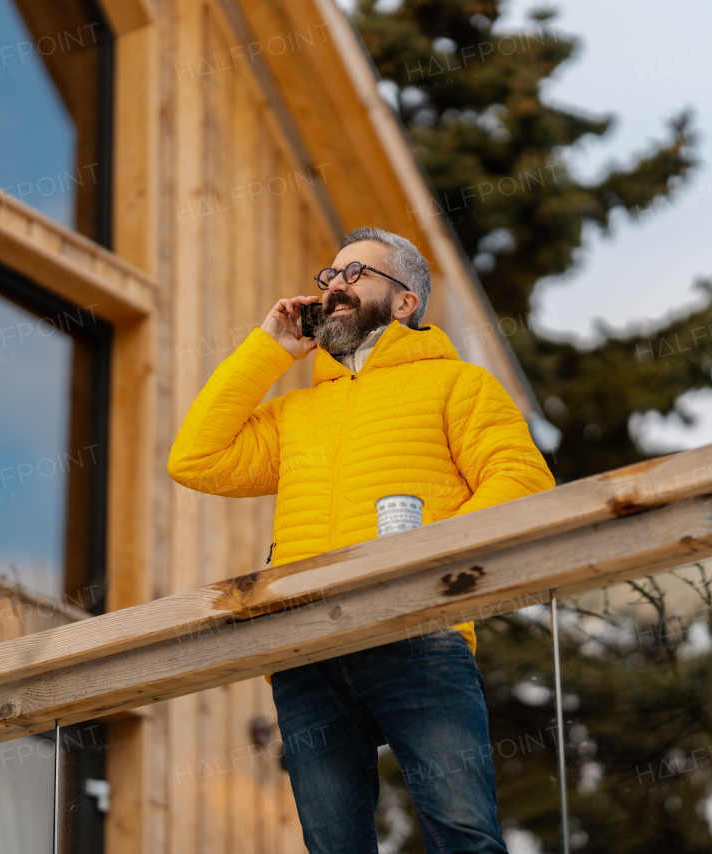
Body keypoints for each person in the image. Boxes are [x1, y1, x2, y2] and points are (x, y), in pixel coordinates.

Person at [167, 226, 554, 853]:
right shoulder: (297, 412)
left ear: (405, 302)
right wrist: (268, 349)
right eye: (331, 276)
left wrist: (426, 556)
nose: (335, 284)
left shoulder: (458, 385)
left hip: (419, 633)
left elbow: (522, 479)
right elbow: (195, 459)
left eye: (356, 274)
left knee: (463, 834)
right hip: (304, 651)